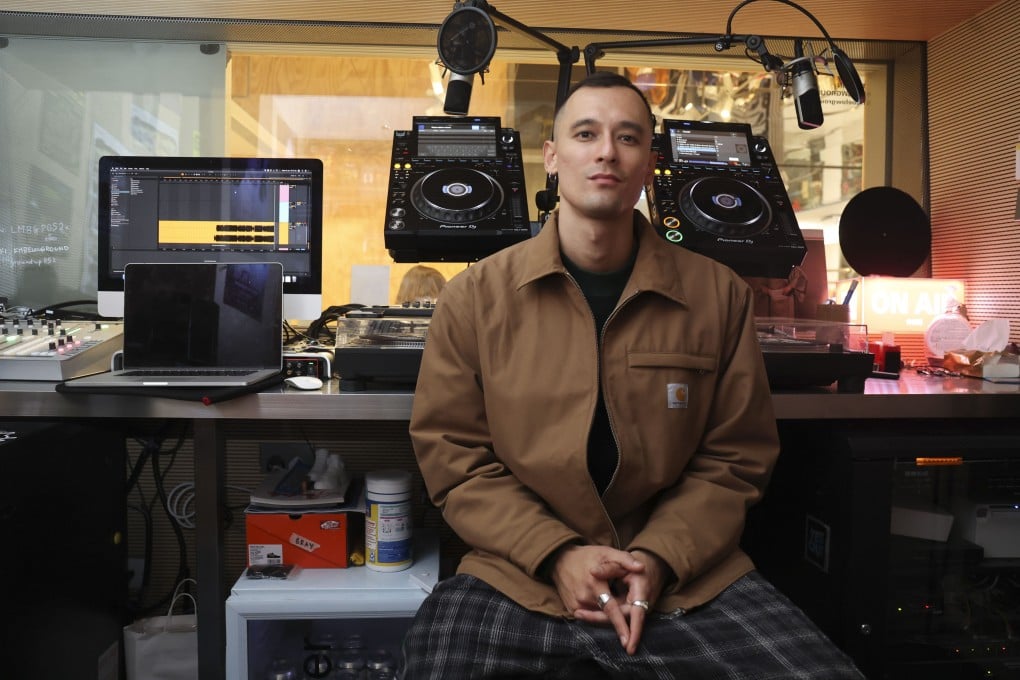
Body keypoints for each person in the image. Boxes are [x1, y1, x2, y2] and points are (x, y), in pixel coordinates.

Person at [401, 71, 864, 679]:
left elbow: (735, 459)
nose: (605, 152)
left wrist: (658, 557)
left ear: (650, 165)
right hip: (518, 574)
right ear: (551, 158)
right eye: (586, 133)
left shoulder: (717, 296)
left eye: (627, 138)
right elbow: (454, 457)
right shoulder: (473, 299)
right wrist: (556, 552)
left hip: (685, 581)